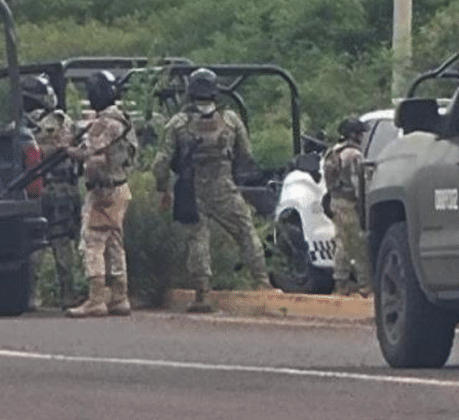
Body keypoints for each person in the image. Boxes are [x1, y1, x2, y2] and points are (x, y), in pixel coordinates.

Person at [153, 67, 272, 314]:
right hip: (223, 186)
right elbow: (246, 155)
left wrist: (162, 188)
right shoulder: (230, 120)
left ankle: (202, 294)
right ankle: (262, 282)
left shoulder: (178, 124)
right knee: (245, 231)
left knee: (197, 239)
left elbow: (161, 162)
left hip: (190, 190)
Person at [66, 71, 138, 317]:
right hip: (119, 188)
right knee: (115, 244)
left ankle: (96, 299)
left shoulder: (106, 123)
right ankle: (120, 297)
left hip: (103, 193)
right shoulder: (123, 119)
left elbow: (86, 150)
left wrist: (66, 148)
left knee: (93, 242)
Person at [20, 74, 81, 310]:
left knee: (35, 245)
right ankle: (67, 294)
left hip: (35, 191)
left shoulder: (21, 126)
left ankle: (29, 296)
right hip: (64, 189)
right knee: (62, 243)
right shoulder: (63, 122)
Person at [324, 116, 368, 297]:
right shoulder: (354, 155)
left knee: (341, 241)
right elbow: (359, 183)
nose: (362, 137)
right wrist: (362, 203)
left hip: (335, 200)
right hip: (349, 202)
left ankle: (340, 283)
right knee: (356, 243)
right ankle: (366, 285)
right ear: (353, 134)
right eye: (360, 133)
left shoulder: (333, 152)